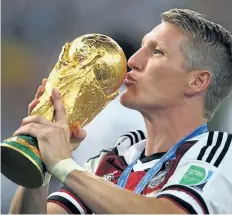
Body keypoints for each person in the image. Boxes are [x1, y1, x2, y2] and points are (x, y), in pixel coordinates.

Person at [9, 8, 232, 214]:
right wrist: (41, 160)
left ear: (197, 81)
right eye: (141, 48)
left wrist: (64, 166)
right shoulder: (116, 158)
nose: (133, 61)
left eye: (157, 52)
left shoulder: (218, 153)